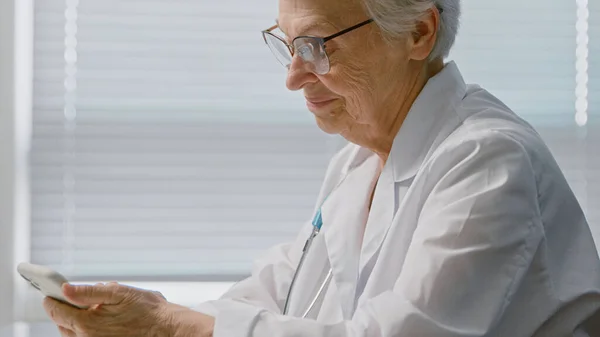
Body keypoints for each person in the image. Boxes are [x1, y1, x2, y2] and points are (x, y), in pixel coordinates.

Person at [43, 0, 600, 336]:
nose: (293, 77)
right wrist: (142, 318)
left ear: (418, 32)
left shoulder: (488, 161)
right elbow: (275, 297)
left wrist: (170, 326)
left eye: (314, 46)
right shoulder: (357, 162)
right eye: (287, 47)